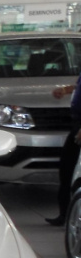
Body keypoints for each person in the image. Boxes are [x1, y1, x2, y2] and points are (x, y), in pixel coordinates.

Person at [46, 72, 81, 225]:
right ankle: (65, 214)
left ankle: (69, 215)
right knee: (66, 169)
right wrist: (66, 90)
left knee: (70, 168)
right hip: (76, 124)